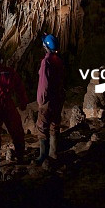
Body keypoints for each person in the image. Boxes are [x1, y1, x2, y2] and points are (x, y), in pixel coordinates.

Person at [36, 33, 65, 164]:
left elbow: (44, 84)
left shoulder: (46, 61)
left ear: (46, 47)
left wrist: (41, 100)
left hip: (47, 100)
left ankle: (43, 156)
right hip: (57, 98)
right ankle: (53, 153)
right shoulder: (59, 60)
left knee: (42, 126)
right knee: (54, 124)